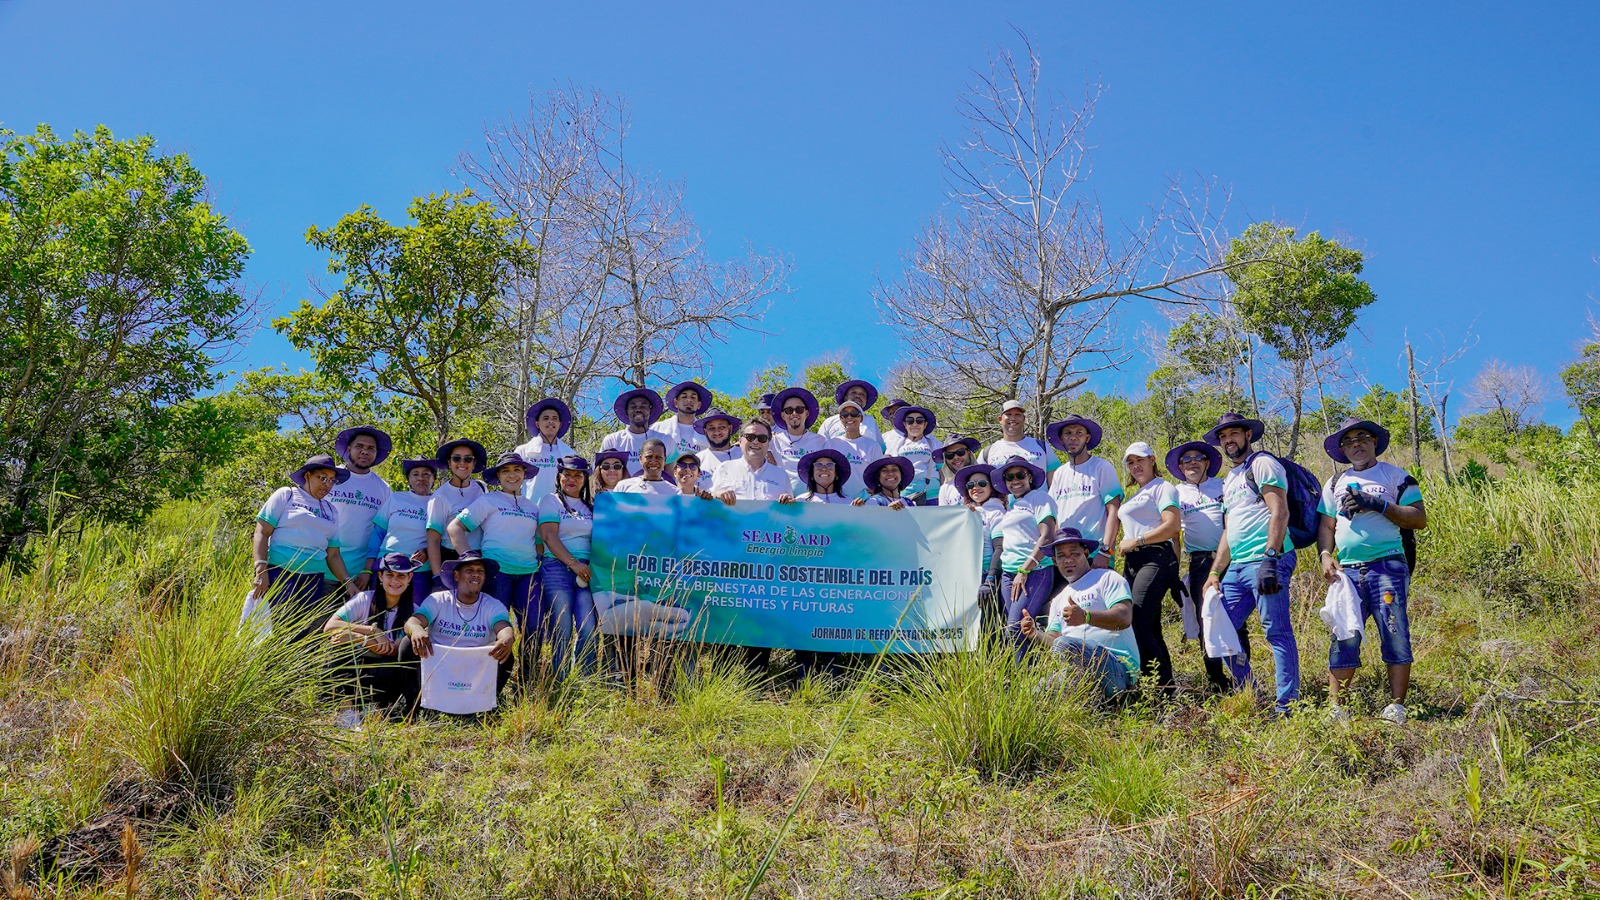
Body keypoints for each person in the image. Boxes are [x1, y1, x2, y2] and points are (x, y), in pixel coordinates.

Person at [1317, 417, 1427, 725]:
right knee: (1344, 634)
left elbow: (1418, 518)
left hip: (1388, 565)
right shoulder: (1335, 483)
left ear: (1374, 441)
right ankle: (1337, 708)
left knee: (1393, 631)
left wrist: (1377, 504)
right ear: (1342, 449)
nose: (1356, 444)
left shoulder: (1395, 476)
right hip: (1347, 572)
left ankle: (1397, 707)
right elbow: (1327, 524)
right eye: (1349, 441)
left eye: (1362, 437)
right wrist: (1325, 554)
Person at [1201, 412, 1300, 717]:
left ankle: (1287, 706)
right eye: (1222, 436)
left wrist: (1271, 558)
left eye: (1233, 434)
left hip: (1268, 560)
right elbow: (1229, 531)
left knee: (1276, 631)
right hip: (1238, 565)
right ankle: (1251, 694)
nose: (1228, 440)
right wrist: (1215, 571)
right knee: (1220, 629)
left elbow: (1279, 511)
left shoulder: (1263, 464)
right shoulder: (1230, 479)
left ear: (1247, 435)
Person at [447, 451, 545, 673]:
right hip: (497, 574)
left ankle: (527, 679)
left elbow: (539, 542)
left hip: (529, 574)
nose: (512, 475)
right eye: (506, 471)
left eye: (517, 470)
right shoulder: (488, 500)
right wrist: (470, 562)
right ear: (498, 476)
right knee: (494, 628)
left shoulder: (533, 507)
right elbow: (455, 527)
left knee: (535, 627)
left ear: (524, 474)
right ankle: (490, 678)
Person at [1018, 529, 1139, 701]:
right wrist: (1034, 633)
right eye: (1061, 556)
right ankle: (1084, 699)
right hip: (1076, 670)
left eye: (1074, 553)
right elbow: (1054, 641)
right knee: (1028, 694)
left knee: (1065, 645)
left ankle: (1089, 695)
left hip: (1116, 669)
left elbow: (1124, 617)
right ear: (1055, 561)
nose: (1068, 560)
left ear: (1086, 553)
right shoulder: (1059, 599)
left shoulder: (1107, 578)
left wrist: (1086, 617)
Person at [253, 455, 359, 635]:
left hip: (313, 580)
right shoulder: (286, 495)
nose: (327, 484)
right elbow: (262, 532)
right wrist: (260, 570)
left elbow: (333, 554)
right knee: (276, 628)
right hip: (281, 573)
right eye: (322, 478)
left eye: (332, 481)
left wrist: (347, 582)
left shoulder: (331, 510)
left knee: (302, 632)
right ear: (308, 475)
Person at [1166, 440, 1240, 693]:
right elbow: (1174, 535)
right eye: (1187, 460)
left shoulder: (1223, 485)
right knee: (1205, 620)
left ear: (1207, 462)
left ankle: (1243, 678)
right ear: (1180, 467)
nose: (1193, 462)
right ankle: (1217, 682)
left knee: (1235, 618)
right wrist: (1173, 574)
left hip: (1231, 558)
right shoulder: (1175, 493)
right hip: (1198, 563)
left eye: (1198, 458)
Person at [404, 552, 516, 705]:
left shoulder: (493, 605)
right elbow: (412, 622)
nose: (475, 574)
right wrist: (416, 629)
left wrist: (507, 638)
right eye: (469, 570)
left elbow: (504, 628)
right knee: (407, 644)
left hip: (476, 670)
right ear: (456, 575)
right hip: (439, 666)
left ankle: (484, 705)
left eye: (480, 571)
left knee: (506, 654)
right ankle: (416, 706)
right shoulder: (438, 599)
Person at [324, 552, 422, 722]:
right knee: (337, 647)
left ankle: (380, 708)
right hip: (356, 668)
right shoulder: (364, 599)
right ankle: (346, 712)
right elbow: (330, 627)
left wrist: (353, 636)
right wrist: (371, 633)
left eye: (401, 576)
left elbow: (393, 651)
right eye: (389, 575)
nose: (394, 581)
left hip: (388, 674)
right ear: (380, 576)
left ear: (410, 577)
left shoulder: (414, 611)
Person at [1113, 442, 1180, 689]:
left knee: (1137, 619)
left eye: (1139, 460)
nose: (1135, 466)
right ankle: (1164, 688)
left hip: (1155, 556)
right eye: (1130, 462)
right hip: (1133, 561)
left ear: (1152, 459)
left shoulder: (1163, 488)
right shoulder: (1136, 494)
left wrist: (1137, 540)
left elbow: (1173, 527)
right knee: (1149, 624)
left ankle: (1158, 688)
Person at [991, 456, 1058, 657]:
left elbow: (1047, 536)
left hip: (1034, 571)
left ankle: (1022, 681)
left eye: (1020, 475)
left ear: (1029, 476)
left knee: (1016, 627)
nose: (1015, 481)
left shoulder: (1040, 498)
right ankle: (1027, 675)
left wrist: (1024, 569)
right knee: (1017, 629)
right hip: (1009, 574)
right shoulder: (1011, 506)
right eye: (1009, 477)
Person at [539, 455, 599, 679]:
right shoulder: (550, 501)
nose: (572, 479)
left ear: (585, 479)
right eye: (567, 474)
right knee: (561, 628)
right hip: (557, 568)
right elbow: (548, 535)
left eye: (578, 474)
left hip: (587, 571)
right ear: (559, 477)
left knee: (588, 627)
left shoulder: (591, 507)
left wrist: (584, 566)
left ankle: (585, 679)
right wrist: (573, 564)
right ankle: (560, 679)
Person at [1045, 414, 1124, 569]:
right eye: (1068, 433)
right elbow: (1054, 517)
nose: (1073, 438)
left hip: (1094, 555)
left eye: (1079, 433)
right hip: (1065, 557)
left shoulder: (1101, 467)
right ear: (1061, 438)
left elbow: (1114, 511)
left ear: (1087, 438)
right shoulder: (1060, 473)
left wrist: (1105, 551)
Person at [368, 457, 443, 609]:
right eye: (415, 474)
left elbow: (444, 539)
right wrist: (368, 569)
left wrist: (428, 551)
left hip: (419, 571)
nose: (421, 478)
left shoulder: (439, 502)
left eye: (426, 474)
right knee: (378, 611)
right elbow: (378, 534)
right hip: (386, 566)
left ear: (434, 479)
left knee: (412, 614)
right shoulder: (396, 498)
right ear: (408, 479)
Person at [328, 425, 393, 596]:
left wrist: (368, 570)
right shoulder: (330, 478)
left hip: (361, 576)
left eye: (370, 448)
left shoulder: (383, 489)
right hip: (323, 568)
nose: (365, 451)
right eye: (359, 446)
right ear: (349, 449)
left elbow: (383, 531)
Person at [425, 439, 488, 582]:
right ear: (449, 462)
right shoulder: (439, 497)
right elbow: (433, 540)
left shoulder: (481, 488)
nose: (462, 463)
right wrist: (437, 577)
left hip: (480, 556)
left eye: (468, 459)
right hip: (452, 558)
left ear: (474, 463)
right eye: (456, 458)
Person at [954, 463, 1006, 625]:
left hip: (986, 576)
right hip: (965, 577)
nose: (976, 488)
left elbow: (999, 547)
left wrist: (990, 578)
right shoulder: (962, 512)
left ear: (992, 487)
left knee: (987, 625)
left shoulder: (997, 513)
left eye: (982, 483)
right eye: (971, 485)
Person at [708, 418, 792, 504]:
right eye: (750, 437)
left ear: (768, 443)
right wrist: (717, 495)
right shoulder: (724, 469)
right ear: (740, 441)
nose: (755, 442)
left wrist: (788, 501)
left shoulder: (781, 476)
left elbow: (790, 512)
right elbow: (709, 503)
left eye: (762, 438)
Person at [515, 398, 578, 502]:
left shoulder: (570, 454)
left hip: (560, 512)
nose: (550, 421)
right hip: (529, 511)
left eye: (555, 418)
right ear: (537, 424)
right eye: (545, 418)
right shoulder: (523, 451)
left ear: (560, 424)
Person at [601, 388, 674, 476]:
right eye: (633, 407)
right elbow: (600, 473)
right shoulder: (612, 440)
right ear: (627, 412)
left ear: (650, 411)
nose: (638, 409)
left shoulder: (666, 440)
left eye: (643, 406)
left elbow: (671, 476)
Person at [769, 387, 827, 492]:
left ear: (807, 413)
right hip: (781, 499)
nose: (794, 413)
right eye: (789, 410)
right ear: (783, 415)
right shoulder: (772, 441)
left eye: (799, 409)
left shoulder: (821, 442)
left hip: (811, 500)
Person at [824, 400, 882, 499]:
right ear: (841, 419)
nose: (849, 417)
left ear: (861, 418)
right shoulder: (831, 444)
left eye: (854, 414)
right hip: (836, 499)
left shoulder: (872, 445)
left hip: (864, 500)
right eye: (844, 414)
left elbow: (880, 473)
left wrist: (876, 488)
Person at [981, 400, 1057, 473]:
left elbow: (1056, 481)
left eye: (1017, 414)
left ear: (1024, 419)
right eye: (1008, 414)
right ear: (1000, 419)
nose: (1013, 418)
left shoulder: (1042, 447)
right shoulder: (987, 452)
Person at [885, 404, 939, 503]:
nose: (915, 424)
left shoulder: (935, 443)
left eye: (919, 421)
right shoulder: (896, 444)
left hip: (932, 494)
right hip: (904, 494)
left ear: (925, 424)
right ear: (905, 424)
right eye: (910, 421)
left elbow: (942, 470)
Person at [650, 381, 714, 456]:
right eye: (684, 397)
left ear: (699, 405)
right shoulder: (658, 429)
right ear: (676, 403)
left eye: (693, 397)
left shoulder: (706, 433)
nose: (689, 400)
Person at [818, 379, 885, 444]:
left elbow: (881, 450)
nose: (858, 396)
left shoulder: (871, 422)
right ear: (845, 397)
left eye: (862, 394)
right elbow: (819, 447)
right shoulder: (829, 422)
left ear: (866, 401)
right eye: (853, 392)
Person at [693, 408, 744, 489]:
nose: (717, 432)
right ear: (705, 431)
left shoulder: (744, 455)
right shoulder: (697, 460)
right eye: (711, 428)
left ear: (730, 428)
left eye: (722, 427)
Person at [934, 436, 982, 506]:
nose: (956, 457)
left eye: (960, 452)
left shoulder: (984, 481)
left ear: (969, 453)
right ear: (945, 460)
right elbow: (944, 515)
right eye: (950, 455)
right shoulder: (945, 489)